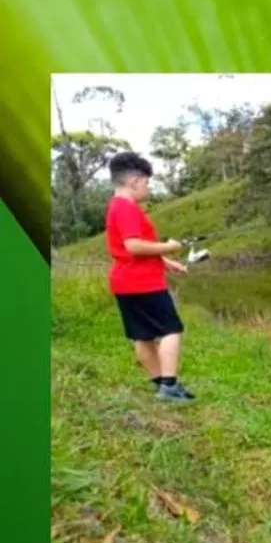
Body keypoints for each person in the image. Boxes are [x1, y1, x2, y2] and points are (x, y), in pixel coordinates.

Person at [103, 151, 195, 402]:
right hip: (143, 283)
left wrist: (166, 262)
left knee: (142, 335)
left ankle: (160, 385)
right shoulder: (127, 208)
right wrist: (170, 246)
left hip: (125, 282)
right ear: (134, 181)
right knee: (170, 330)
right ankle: (169, 385)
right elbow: (134, 246)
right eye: (146, 182)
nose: (147, 187)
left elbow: (128, 248)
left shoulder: (115, 207)